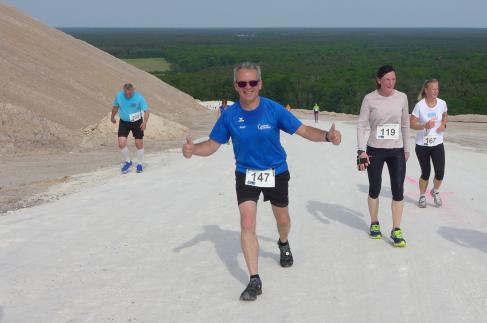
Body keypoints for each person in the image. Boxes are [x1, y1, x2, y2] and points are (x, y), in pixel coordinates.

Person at [182, 62, 342, 301]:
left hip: (276, 173)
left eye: (252, 82)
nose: (248, 87)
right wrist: (193, 149)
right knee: (247, 223)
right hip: (246, 174)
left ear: (260, 84)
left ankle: (283, 242)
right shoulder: (229, 115)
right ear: (236, 86)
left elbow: (304, 130)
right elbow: (212, 145)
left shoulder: (273, 109)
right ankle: (254, 279)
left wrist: (328, 137)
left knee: (283, 220)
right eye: (242, 83)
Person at [357, 65, 411, 247]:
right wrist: (361, 151)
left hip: (396, 150)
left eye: (393, 79)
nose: (391, 82)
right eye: (387, 79)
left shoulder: (402, 97)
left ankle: (396, 229)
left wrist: (407, 148)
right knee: (375, 188)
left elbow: (405, 124)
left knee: (398, 189)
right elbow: (361, 125)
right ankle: (374, 223)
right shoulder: (369, 99)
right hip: (375, 149)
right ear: (379, 80)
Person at [410, 79, 448, 208]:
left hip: (437, 143)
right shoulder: (419, 106)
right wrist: (424, 126)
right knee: (425, 173)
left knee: (440, 173)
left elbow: (445, 115)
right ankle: (422, 196)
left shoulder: (442, 103)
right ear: (426, 90)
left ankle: (435, 191)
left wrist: (443, 125)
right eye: (433, 89)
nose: (435, 91)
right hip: (422, 145)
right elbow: (412, 124)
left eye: (437, 89)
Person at [110, 82, 150, 174]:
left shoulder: (139, 98)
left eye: (130, 93)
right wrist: (112, 117)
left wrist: (145, 122)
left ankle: (139, 164)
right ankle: (128, 162)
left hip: (137, 122)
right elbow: (115, 107)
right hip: (124, 122)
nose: (128, 95)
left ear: (133, 90)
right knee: (121, 143)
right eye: (126, 93)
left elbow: (146, 111)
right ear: (123, 91)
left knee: (139, 144)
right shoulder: (119, 96)